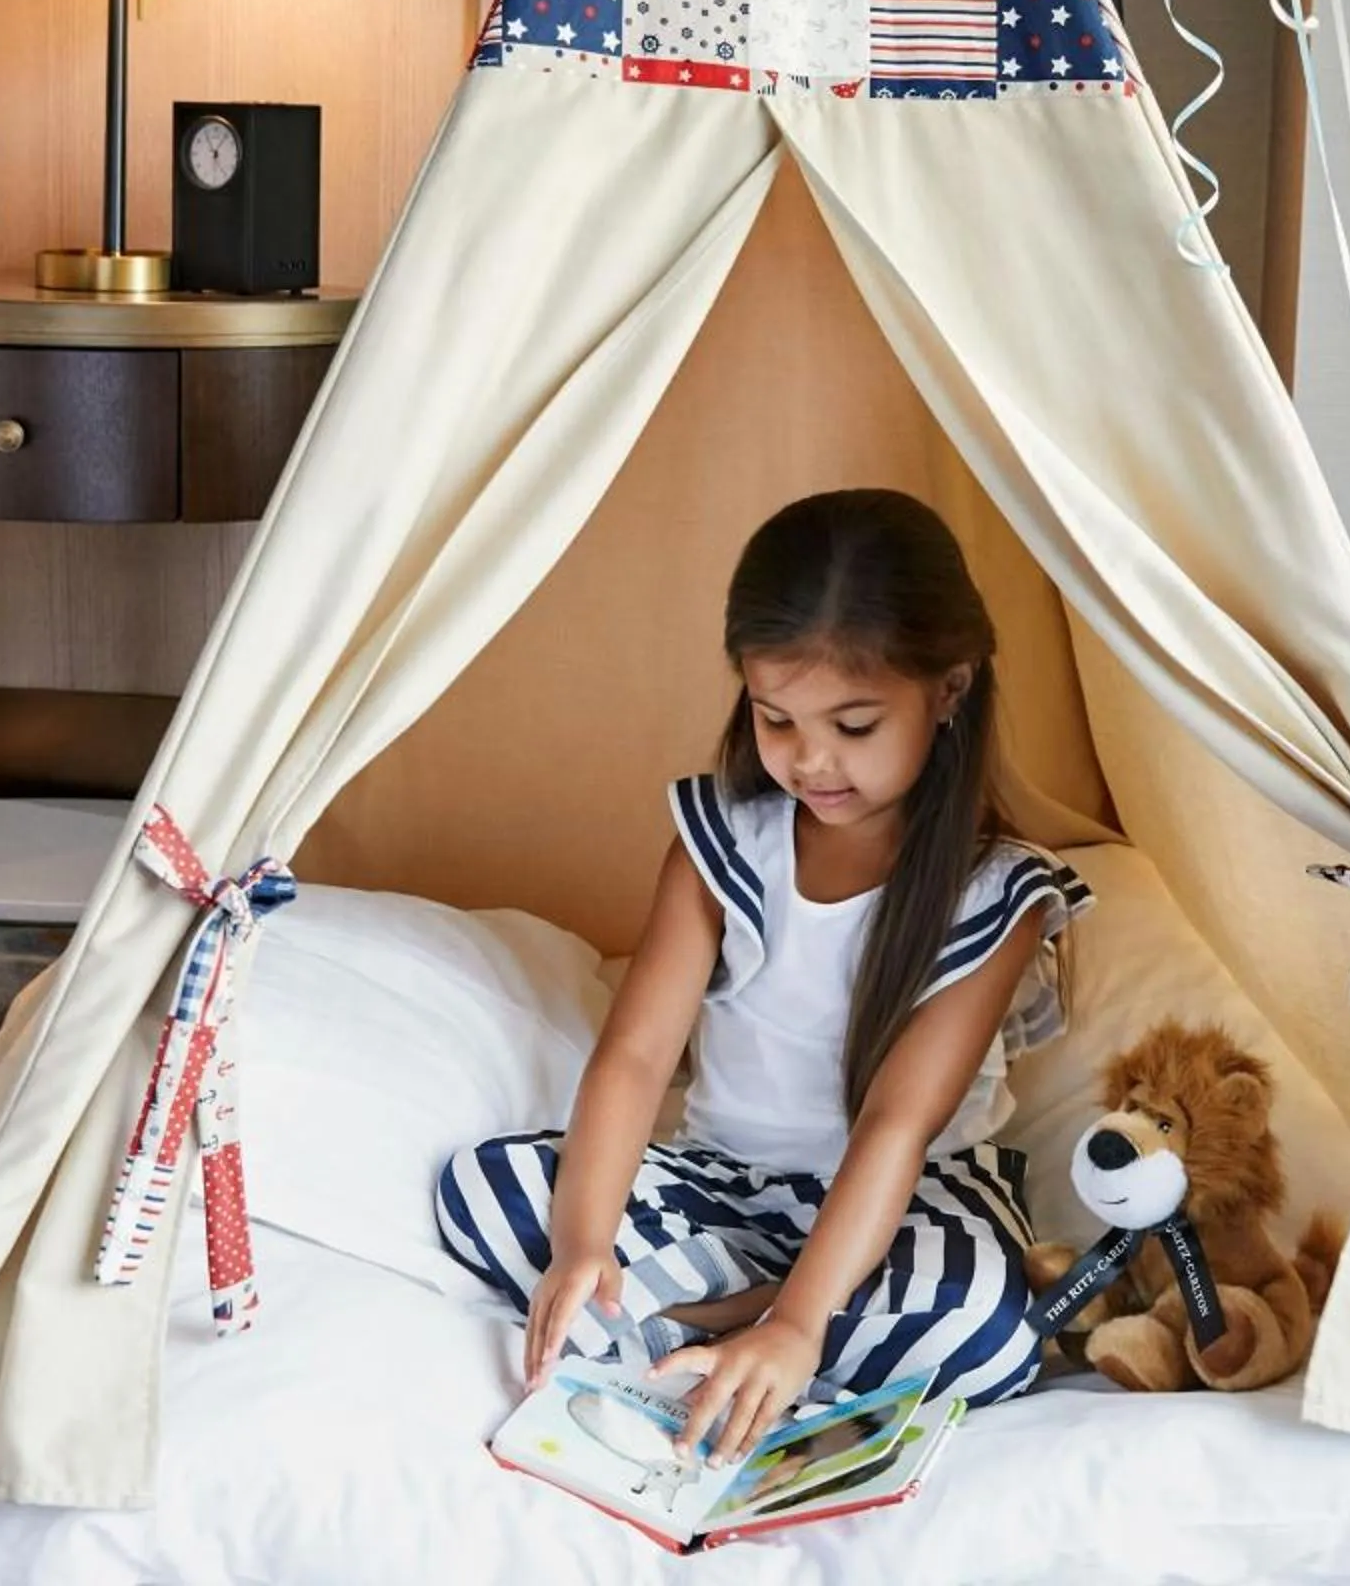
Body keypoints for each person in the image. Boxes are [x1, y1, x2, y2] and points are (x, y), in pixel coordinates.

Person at [438, 489, 1090, 1467]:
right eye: (775, 717)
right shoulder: (723, 840)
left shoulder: (998, 893)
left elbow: (896, 1126)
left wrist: (798, 1316)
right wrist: (583, 1242)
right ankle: (743, 1316)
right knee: (483, 1188)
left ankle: (755, 1322)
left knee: (989, 1326)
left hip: (910, 1198)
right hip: (724, 1186)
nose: (810, 758)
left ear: (949, 690)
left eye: (855, 723)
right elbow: (637, 1053)